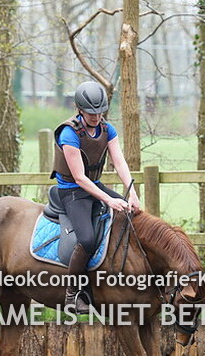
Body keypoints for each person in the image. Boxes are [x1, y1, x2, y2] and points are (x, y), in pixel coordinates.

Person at [52, 81, 141, 313]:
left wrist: (131, 192)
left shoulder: (107, 129)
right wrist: (109, 200)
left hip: (95, 185)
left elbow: (119, 162)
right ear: (79, 109)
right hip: (72, 191)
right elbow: (80, 177)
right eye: (91, 112)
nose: (96, 116)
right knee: (88, 239)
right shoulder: (69, 133)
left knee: (130, 216)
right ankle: (72, 295)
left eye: (100, 111)